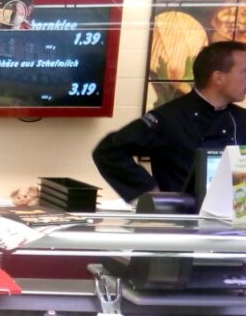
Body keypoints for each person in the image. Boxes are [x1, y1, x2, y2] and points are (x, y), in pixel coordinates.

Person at [93, 41, 246, 202]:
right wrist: (149, 192)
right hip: (183, 215)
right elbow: (108, 151)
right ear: (218, 78)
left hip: (237, 213)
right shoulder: (169, 118)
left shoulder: (242, 118)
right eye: (244, 72)